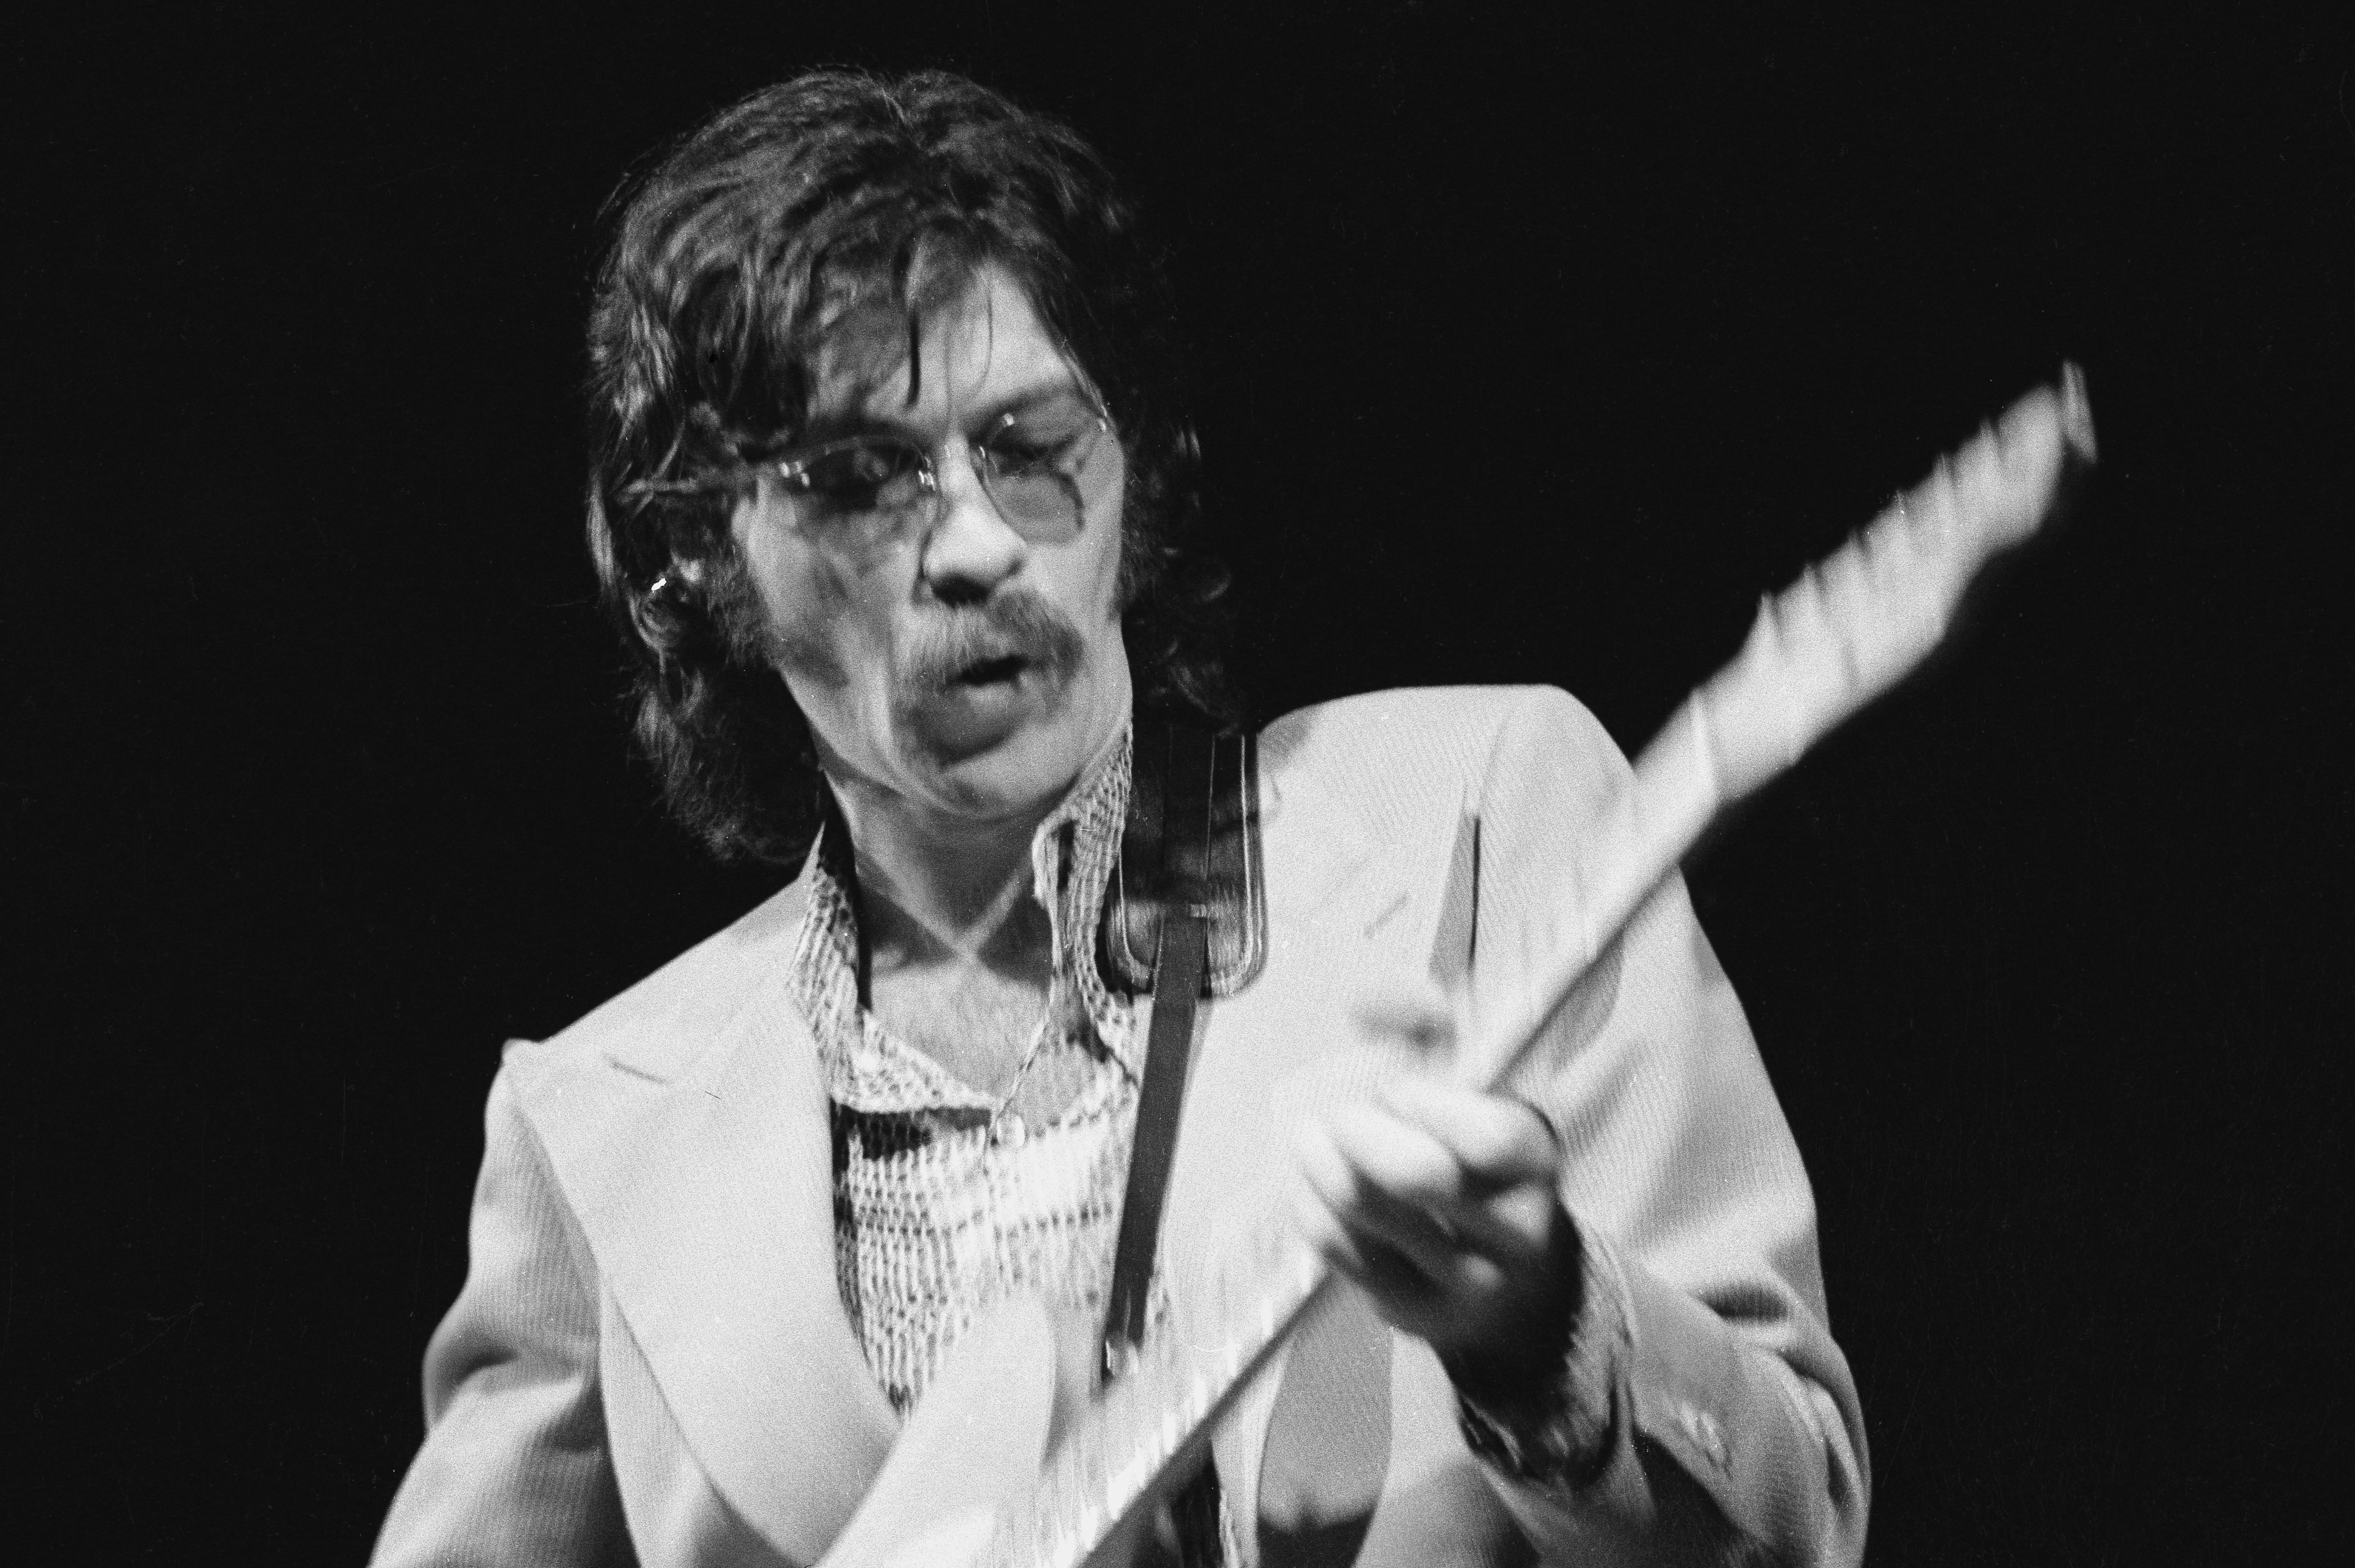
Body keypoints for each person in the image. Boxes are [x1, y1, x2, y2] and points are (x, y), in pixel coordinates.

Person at [371, 69, 1868, 1568]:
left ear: (1133, 473)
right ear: (693, 557)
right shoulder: (596, 1135)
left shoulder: (1475, 821)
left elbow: (1797, 1524)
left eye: (1027, 447)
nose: (970, 541)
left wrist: (1542, 1321)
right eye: (859, 479)